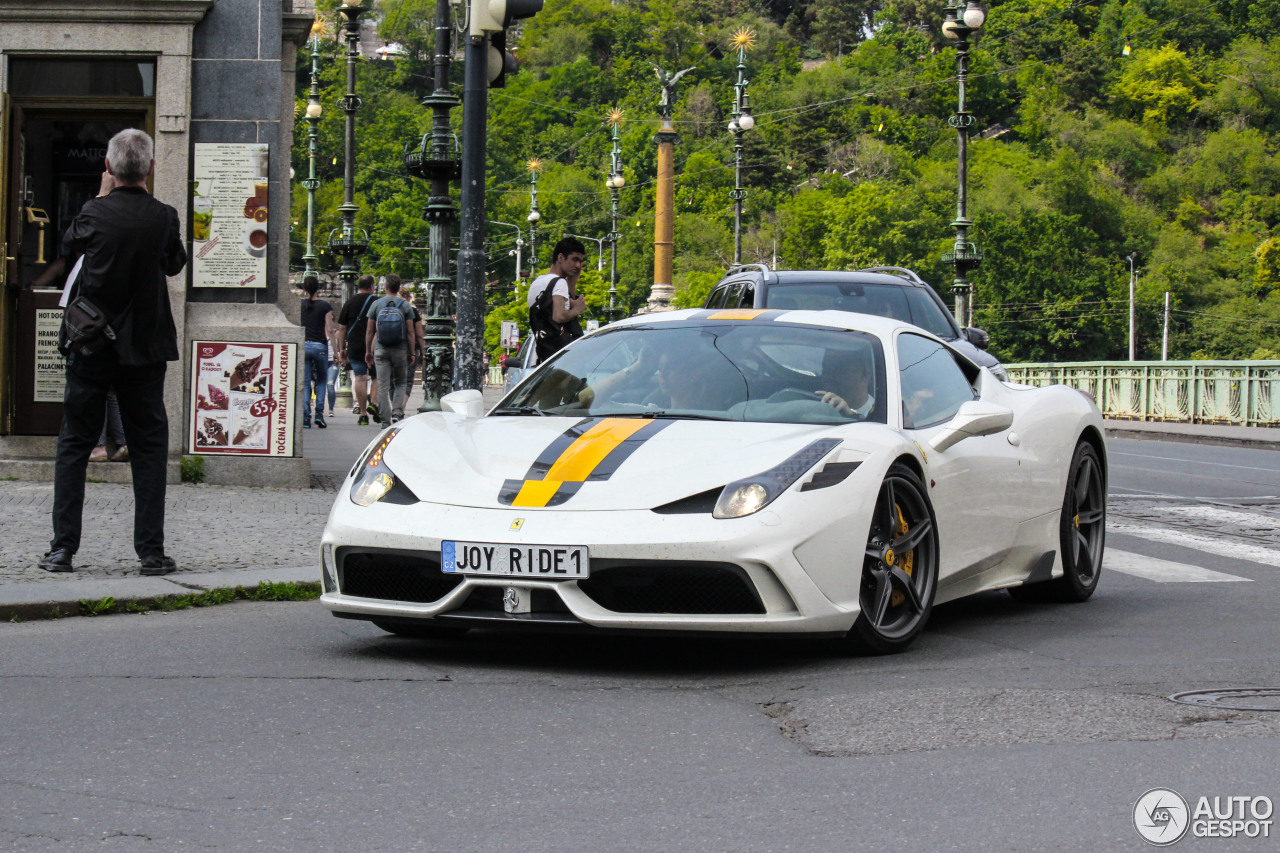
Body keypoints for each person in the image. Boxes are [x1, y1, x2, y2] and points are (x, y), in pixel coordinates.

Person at [41, 128, 187, 575]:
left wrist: (100, 197)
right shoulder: (164, 217)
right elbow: (174, 263)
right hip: (144, 349)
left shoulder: (93, 213)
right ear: (151, 169)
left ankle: (63, 549)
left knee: (74, 444)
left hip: (91, 347)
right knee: (148, 448)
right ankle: (151, 552)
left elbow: (69, 244)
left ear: (108, 168)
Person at [364, 273, 418, 426]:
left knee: (383, 384)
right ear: (398, 287)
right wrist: (412, 352)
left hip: (381, 349)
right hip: (400, 349)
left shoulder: (376, 304)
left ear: (386, 287)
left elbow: (369, 331)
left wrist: (368, 351)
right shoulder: (405, 305)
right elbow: (410, 332)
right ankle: (397, 413)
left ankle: (385, 420)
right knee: (401, 382)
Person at [527, 237, 587, 361]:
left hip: (545, 353)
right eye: (575, 259)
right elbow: (559, 316)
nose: (578, 265)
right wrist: (578, 309)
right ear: (560, 257)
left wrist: (572, 282)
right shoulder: (559, 283)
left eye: (581, 261)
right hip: (562, 354)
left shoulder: (538, 283)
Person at [337, 274, 378, 426]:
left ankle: (362, 414)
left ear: (358, 286)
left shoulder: (350, 302)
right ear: (372, 287)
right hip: (373, 345)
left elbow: (342, 328)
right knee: (376, 377)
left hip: (354, 346)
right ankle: (373, 402)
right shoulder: (377, 302)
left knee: (360, 378)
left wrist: (342, 348)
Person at [300, 274, 336, 428]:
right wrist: (336, 351)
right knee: (321, 380)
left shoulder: (300, 305)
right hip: (320, 346)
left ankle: (306, 417)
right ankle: (319, 414)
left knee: (306, 382)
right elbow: (330, 329)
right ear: (318, 288)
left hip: (304, 346)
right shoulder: (325, 306)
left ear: (304, 288)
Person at [815, 349, 874, 420]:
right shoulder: (815, 406)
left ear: (864, 377)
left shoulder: (877, 416)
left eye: (839, 370)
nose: (829, 376)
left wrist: (851, 417)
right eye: (826, 369)